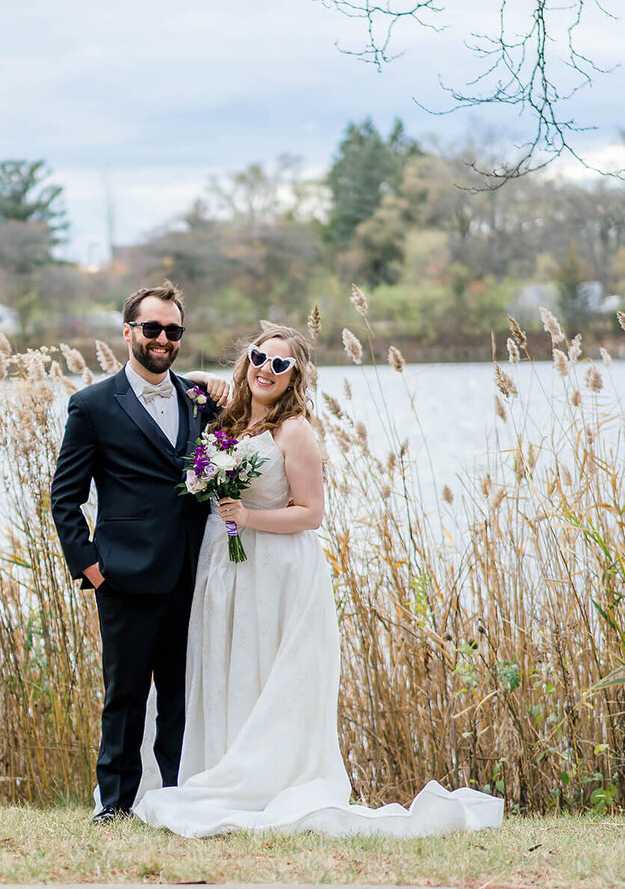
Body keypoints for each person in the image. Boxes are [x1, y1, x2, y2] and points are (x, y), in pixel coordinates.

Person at [134, 325, 504, 837]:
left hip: (276, 569)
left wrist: (247, 515)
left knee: (266, 669)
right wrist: (206, 379)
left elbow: (311, 514)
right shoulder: (228, 419)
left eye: (280, 365)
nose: (266, 369)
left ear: (294, 377)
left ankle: (260, 778)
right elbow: (180, 381)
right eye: (259, 357)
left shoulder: (295, 430)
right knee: (224, 663)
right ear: (246, 361)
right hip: (224, 565)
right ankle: (215, 764)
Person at [50, 281, 226, 822]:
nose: (163, 339)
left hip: (190, 574)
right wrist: (92, 568)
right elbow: (66, 498)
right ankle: (115, 804)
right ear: (129, 332)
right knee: (124, 696)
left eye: (173, 331)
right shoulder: (93, 405)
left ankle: (176, 797)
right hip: (123, 577)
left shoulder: (199, 400)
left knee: (180, 696)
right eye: (152, 328)